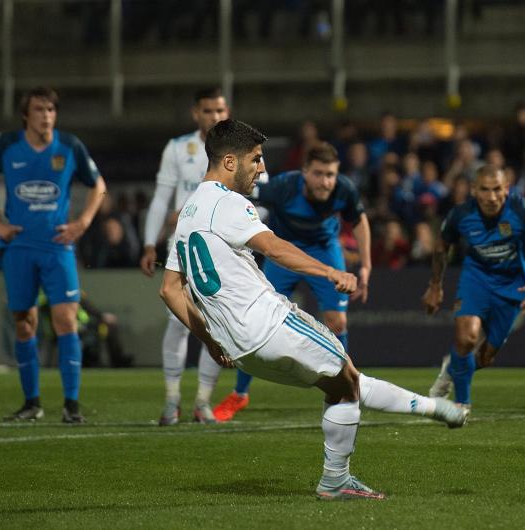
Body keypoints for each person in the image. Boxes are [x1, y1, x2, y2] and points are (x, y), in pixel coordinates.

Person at [159, 119, 467, 500]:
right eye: (255, 160)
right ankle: (340, 477)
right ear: (228, 161)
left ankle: (434, 411)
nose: (261, 169)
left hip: (239, 348)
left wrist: (209, 340)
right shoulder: (228, 201)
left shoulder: (188, 212)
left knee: (340, 384)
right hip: (270, 325)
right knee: (349, 381)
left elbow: (170, 290)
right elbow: (274, 248)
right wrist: (330, 271)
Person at [0, 86, 106, 423]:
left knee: (66, 321)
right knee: (25, 324)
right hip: (19, 248)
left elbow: (98, 185)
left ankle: (71, 405)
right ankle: (32, 403)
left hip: (58, 247)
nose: (47, 116)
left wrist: (82, 222)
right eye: (40, 110)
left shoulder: (69, 146)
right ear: (26, 115)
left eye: (51, 110)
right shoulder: (8, 145)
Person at [212, 142, 372, 422]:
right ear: (304, 172)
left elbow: (358, 221)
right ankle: (240, 394)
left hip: (324, 250)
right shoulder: (283, 187)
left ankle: (347, 390)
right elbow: (240, 193)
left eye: (331, 175)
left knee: (338, 323)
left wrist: (367, 265)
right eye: (319, 174)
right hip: (283, 253)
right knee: (256, 323)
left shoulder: (344, 189)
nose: (326, 182)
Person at [140, 87, 255, 425]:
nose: (215, 116)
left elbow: (257, 197)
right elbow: (162, 198)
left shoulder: (244, 149)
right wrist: (150, 242)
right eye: (208, 111)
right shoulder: (178, 148)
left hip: (226, 246)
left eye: (220, 110)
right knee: (178, 321)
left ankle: (202, 401)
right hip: (186, 242)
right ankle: (172, 400)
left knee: (218, 323)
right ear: (196, 114)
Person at [425, 165, 525, 410]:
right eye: (485, 189)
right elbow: (442, 245)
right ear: (474, 190)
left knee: (484, 357)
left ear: (507, 189)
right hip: (477, 278)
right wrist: (435, 285)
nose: (491, 196)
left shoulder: (521, 209)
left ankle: (450, 369)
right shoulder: (461, 215)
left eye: (497, 189)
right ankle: (461, 406)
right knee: (467, 338)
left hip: (513, 285)